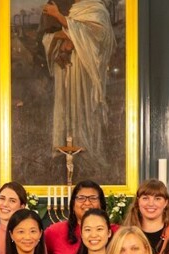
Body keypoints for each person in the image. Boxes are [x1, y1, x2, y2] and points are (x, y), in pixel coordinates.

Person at [40, 0, 116, 177]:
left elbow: (96, 34)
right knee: (66, 108)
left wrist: (58, 16)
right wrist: (61, 37)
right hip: (68, 72)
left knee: (84, 112)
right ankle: (63, 155)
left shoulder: (97, 9)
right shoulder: (75, 9)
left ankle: (89, 155)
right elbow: (73, 32)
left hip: (85, 74)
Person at [45, 180, 117, 254]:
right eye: (81, 198)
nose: (87, 203)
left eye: (93, 198)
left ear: (101, 204)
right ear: (73, 204)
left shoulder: (117, 232)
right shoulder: (55, 231)